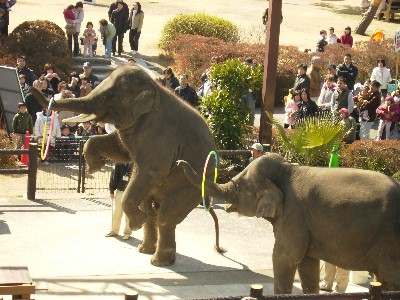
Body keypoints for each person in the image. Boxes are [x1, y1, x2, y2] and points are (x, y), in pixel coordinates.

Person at [105, 162, 133, 240]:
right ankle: (114, 230)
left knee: (128, 212)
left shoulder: (135, 162)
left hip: (131, 191)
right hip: (120, 190)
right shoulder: (119, 162)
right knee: (117, 210)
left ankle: (127, 232)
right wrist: (111, 190)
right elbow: (114, 176)